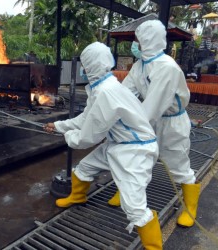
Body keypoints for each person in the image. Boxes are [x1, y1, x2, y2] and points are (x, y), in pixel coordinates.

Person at [44, 42, 162, 249]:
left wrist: (68, 137)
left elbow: (88, 137)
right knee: (84, 168)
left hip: (134, 151)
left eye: (84, 64)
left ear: (89, 66)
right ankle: (77, 197)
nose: (82, 69)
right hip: (119, 144)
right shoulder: (102, 88)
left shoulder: (107, 93)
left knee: (134, 208)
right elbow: (85, 118)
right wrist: (58, 126)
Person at [108, 20, 201, 228]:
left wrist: (123, 126)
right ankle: (126, 192)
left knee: (178, 164)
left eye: (138, 40)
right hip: (149, 118)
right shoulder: (140, 65)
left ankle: (190, 207)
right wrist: (106, 109)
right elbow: (125, 92)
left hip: (170, 122)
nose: (136, 44)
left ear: (147, 40)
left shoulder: (166, 67)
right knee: (136, 158)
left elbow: (153, 106)